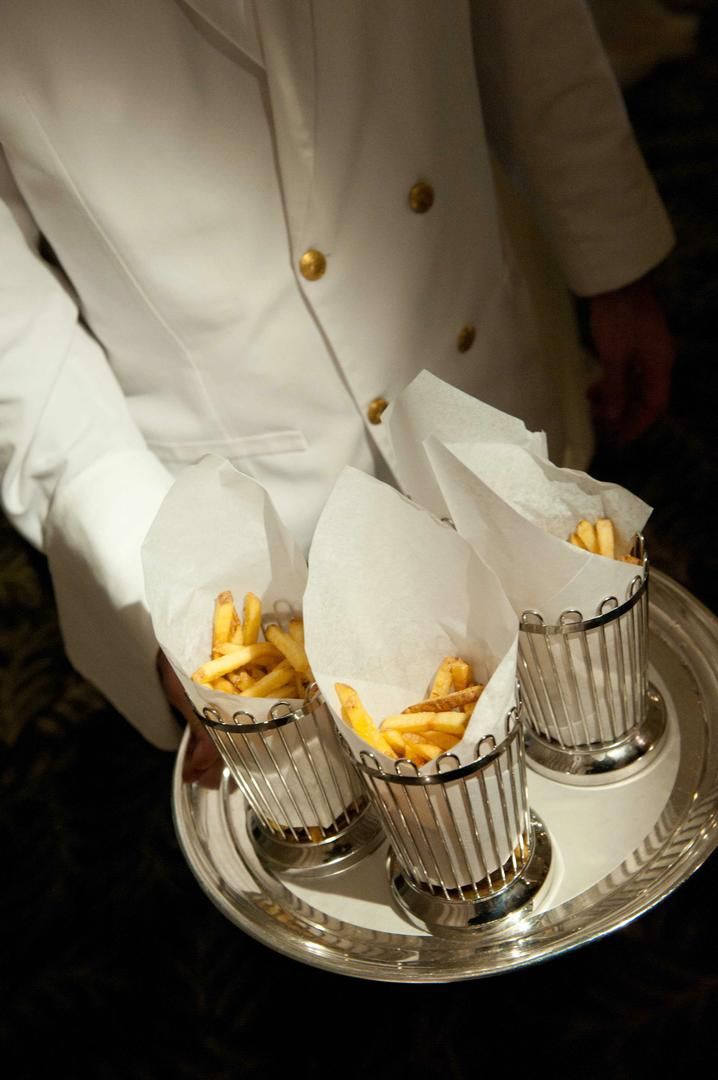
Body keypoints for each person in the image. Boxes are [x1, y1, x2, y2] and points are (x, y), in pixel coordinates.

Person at [0, 1, 675, 785]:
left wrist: (612, 256)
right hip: (254, 538)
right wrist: (134, 563)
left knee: (598, 739)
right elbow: (15, 337)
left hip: (479, 365)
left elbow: (526, 21)